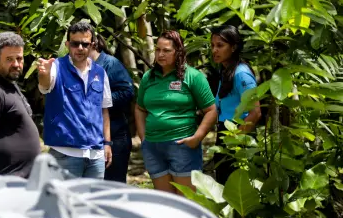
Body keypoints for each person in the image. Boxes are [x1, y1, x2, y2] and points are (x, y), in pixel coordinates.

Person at [134, 30, 218, 194]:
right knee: (167, 202)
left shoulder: (193, 76)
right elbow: (140, 108)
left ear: (178, 52)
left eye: (166, 50)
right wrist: (144, 138)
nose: (160, 54)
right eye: (158, 50)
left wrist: (197, 138)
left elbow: (211, 111)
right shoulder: (148, 77)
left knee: (187, 201)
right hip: (153, 147)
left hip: (182, 145)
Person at [37, 20, 113, 179]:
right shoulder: (56, 67)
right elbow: (44, 86)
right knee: (64, 196)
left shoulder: (100, 72)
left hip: (96, 155)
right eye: (75, 43)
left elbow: (104, 111)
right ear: (67, 44)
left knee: (94, 196)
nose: (80, 48)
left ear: (92, 45)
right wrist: (43, 74)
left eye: (85, 44)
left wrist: (107, 143)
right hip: (65, 153)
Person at [0, 32, 41, 178]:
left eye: (19, 58)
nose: (16, 64)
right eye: (9, 59)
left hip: (24, 180)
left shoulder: (10, 86)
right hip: (7, 180)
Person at [208, 24, 262, 184]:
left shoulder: (241, 74)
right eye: (212, 45)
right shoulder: (226, 71)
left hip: (239, 135)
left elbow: (255, 112)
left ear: (233, 47)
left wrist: (234, 140)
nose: (214, 50)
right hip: (226, 132)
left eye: (220, 45)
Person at [89, 34, 135, 183]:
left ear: (93, 44)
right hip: (90, 138)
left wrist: (99, 100)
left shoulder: (110, 63)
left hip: (115, 134)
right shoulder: (78, 66)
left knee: (113, 185)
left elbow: (127, 92)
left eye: (83, 43)